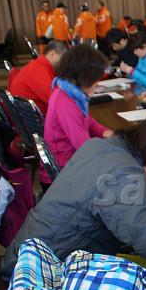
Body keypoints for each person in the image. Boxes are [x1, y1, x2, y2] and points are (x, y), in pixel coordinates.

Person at [1, 113, 146, 290]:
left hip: (31, 260)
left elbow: (107, 195)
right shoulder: (124, 173)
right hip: (42, 283)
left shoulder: (102, 147)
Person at [42, 45, 113, 189]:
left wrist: (105, 132)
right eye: (95, 79)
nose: (97, 84)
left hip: (71, 162)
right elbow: (85, 148)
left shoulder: (68, 92)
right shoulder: (66, 102)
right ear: (83, 77)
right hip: (64, 173)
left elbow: (88, 121)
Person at [9, 40, 67, 115]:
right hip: (32, 117)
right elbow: (56, 100)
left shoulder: (40, 65)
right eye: (63, 58)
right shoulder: (38, 70)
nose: (64, 62)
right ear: (52, 54)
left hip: (25, 113)